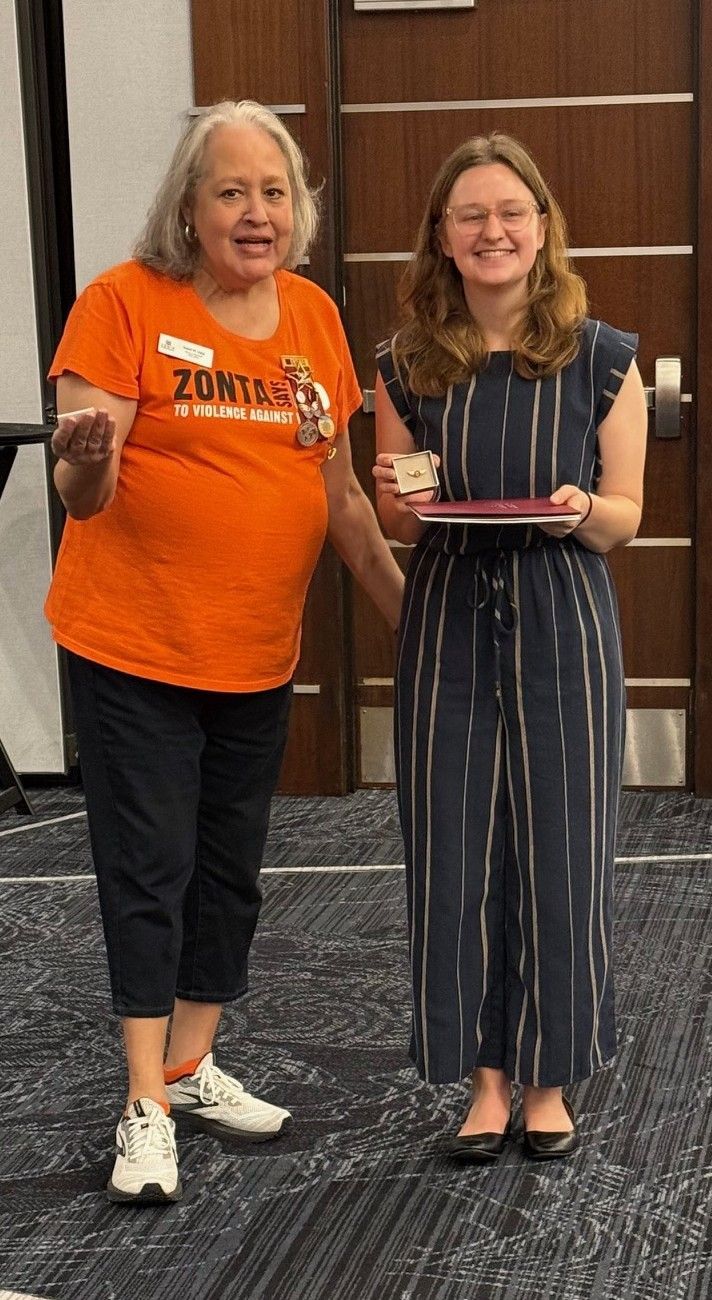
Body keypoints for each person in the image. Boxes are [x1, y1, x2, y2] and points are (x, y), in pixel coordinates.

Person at [46, 99, 404, 1203]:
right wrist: (88, 458)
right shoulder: (122, 301)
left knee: (228, 879)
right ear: (188, 208)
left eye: (274, 192)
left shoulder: (311, 316)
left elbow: (338, 495)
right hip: (134, 650)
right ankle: (143, 1101)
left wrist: (412, 618)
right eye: (232, 191)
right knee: (148, 873)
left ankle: (192, 1062)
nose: (257, 212)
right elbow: (82, 488)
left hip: (255, 654)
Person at [373, 133, 647, 1162]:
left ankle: (549, 1078)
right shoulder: (402, 364)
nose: (492, 231)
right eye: (470, 215)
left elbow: (623, 515)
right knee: (451, 854)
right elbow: (400, 514)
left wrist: (580, 506)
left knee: (563, 853)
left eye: (510, 213)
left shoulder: (603, 355)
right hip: (444, 618)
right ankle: (482, 1080)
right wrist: (402, 494)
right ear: (442, 239)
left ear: (542, 229)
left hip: (562, 616)